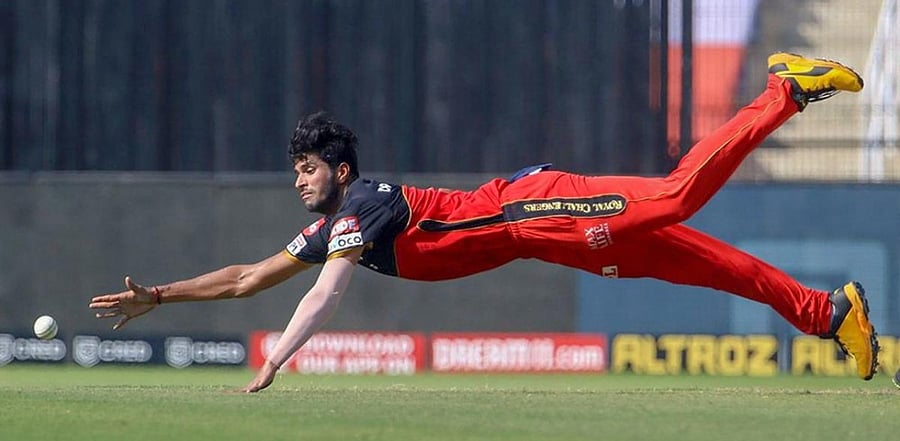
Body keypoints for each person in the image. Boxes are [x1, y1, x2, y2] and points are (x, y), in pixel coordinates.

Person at [90, 53, 879, 392]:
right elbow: (247, 278)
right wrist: (159, 295)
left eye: (307, 167)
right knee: (703, 261)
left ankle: (785, 90)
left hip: (529, 208)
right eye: (294, 169)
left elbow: (323, 294)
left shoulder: (360, 208)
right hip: (543, 239)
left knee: (674, 198)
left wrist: (280, 358)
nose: (298, 179)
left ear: (339, 170)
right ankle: (829, 313)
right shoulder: (333, 225)